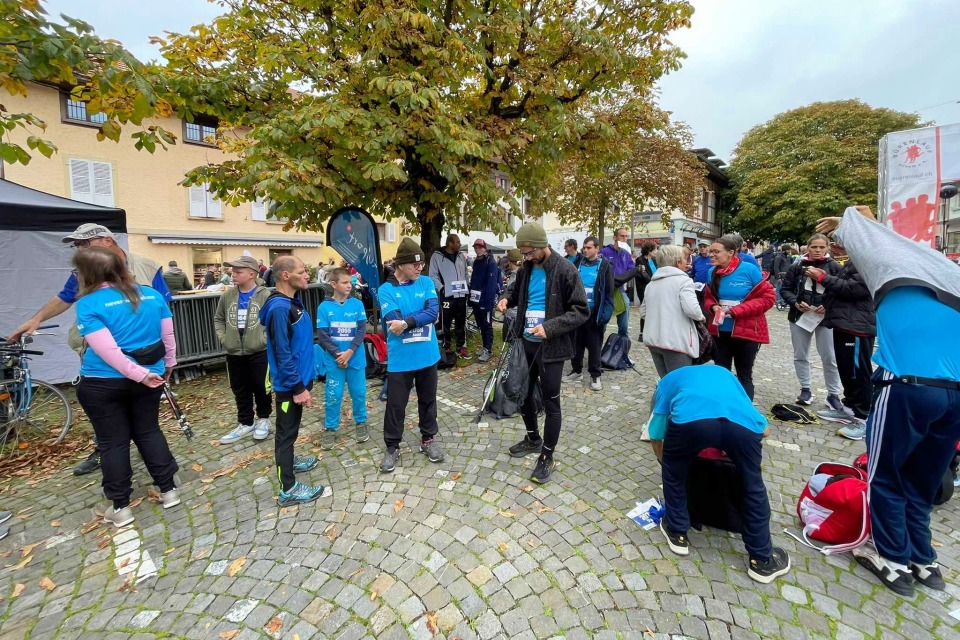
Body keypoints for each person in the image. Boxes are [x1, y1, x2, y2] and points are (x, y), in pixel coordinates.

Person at [817, 206, 960, 597]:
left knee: (886, 475)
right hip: (954, 394)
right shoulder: (953, 279)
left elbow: (875, 244)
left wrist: (851, 223)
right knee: (924, 478)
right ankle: (924, 559)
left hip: (906, 388)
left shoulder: (893, 273)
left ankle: (892, 558)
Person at [7, 223, 171, 477]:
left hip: (145, 356)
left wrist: (167, 357)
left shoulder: (147, 266)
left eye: (85, 243)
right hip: (103, 358)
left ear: (107, 241)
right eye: (77, 245)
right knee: (107, 413)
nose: (80, 249)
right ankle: (106, 449)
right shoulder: (83, 271)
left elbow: (165, 310)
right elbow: (64, 298)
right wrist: (37, 319)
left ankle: (149, 457)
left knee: (145, 422)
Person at [649, 365, 791, 583]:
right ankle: (762, 559)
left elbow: (656, 433)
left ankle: (677, 532)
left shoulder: (667, 381)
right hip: (742, 428)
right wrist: (729, 443)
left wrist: (664, 461)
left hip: (691, 422)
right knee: (753, 486)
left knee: (674, 471)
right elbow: (765, 430)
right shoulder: (728, 377)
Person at [72, 247, 180, 528]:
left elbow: (107, 351)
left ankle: (120, 506)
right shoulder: (152, 295)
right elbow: (168, 336)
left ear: (86, 274)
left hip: (103, 383)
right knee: (148, 431)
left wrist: (139, 374)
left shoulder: (89, 303)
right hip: (149, 377)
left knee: (113, 442)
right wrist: (167, 365)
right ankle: (168, 490)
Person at [497, 223, 588, 483]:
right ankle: (533, 438)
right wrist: (505, 298)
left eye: (527, 252)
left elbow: (581, 310)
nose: (524, 258)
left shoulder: (565, 270)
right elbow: (515, 293)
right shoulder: (526, 270)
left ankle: (547, 455)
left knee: (551, 402)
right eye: (523, 254)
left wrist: (550, 328)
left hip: (552, 348)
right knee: (523, 394)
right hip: (526, 342)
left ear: (540, 247)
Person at [261, 256, 331, 506]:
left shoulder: (291, 302)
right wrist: (298, 387)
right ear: (285, 276)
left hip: (298, 380)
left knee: (291, 430)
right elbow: (282, 353)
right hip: (289, 386)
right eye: (302, 272)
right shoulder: (280, 309)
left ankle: (290, 461)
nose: (307, 275)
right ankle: (287, 488)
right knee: (285, 434)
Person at [378, 238, 444, 473]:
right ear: (401, 264)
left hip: (427, 355)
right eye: (415, 264)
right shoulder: (385, 290)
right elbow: (391, 321)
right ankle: (392, 446)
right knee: (396, 404)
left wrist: (406, 321)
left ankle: (428, 439)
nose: (420, 268)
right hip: (401, 360)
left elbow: (433, 312)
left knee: (428, 400)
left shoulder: (425, 282)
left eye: (422, 263)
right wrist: (420, 316)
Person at [806, 259, 875, 439]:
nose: (837, 245)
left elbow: (854, 289)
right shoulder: (853, 260)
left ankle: (862, 419)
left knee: (858, 372)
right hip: (844, 324)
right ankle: (849, 409)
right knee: (847, 370)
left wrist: (823, 277)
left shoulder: (868, 262)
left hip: (858, 328)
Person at [702, 235, 774, 400]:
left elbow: (768, 298)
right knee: (722, 375)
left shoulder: (749, 270)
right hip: (720, 332)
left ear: (731, 253)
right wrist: (713, 306)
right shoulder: (712, 271)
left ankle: (745, 415)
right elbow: (708, 297)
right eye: (710, 251)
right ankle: (724, 410)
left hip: (747, 331)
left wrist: (736, 311)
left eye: (716, 251)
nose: (711, 254)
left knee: (744, 375)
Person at [779, 233, 844, 408]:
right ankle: (805, 389)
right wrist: (795, 302)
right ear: (808, 248)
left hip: (825, 319)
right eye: (814, 247)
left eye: (821, 247)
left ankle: (833, 394)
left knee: (829, 357)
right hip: (800, 317)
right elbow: (785, 290)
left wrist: (829, 305)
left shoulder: (835, 267)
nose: (817, 250)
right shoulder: (797, 266)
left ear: (827, 248)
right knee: (800, 354)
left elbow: (842, 291)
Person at [214, 256, 273, 444]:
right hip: (234, 352)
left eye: (238, 272)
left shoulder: (266, 295)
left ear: (251, 274)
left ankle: (264, 419)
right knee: (240, 387)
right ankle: (245, 422)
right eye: (233, 271)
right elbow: (219, 319)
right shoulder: (228, 295)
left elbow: (273, 322)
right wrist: (225, 339)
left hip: (259, 350)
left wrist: (263, 340)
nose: (233, 275)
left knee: (261, 386)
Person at [316, 268, 368, 450]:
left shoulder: (357, 304)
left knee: (359, 393)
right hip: (335, 361)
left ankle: (361, 422)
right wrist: (338, 354)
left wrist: (350, 352)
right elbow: (322, 335)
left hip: (355, 359)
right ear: (334, 284)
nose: (349, 285)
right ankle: (330, 427)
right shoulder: (324, 308)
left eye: (350, 282)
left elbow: (362, 330)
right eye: (345, 282)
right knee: (333, 396)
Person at [640, 245, 705, 377]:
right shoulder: (683, 281)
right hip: (676, 341)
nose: (686, 262)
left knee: (666, 381)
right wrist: (701, 317)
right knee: (680, 382)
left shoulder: (651, 284)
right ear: (678, 262)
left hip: (654, 340)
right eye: (684, 259)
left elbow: (643, 312)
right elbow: (692, 310)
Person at [564, 236, 614, 389]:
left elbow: (608, 293)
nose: (585, 250)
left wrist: (604, 316)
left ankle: (595, 376)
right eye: (584, 247)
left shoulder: (605, 266)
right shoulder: (577, 264)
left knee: (594, 346)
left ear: (597, 249)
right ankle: (576, 370)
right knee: (576, 344)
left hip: (594, 313)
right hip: (578, 311)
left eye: (589, 248)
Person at [428, 234, 469, 358]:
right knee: (445, 323)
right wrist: (442, 289)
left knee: (461, 322)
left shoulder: (461, 256)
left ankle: (461, 347)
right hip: (447, 296)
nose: (460, 244)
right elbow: (432, 275)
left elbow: (465, 273)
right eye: (457, 242)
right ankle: (446, 347)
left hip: (461, 295)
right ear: (450, 243)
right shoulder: (437, 256)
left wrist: (467, 285)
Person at [468, 239, 502, 363]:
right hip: (476, 299)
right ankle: (484, 347)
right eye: (476, 248)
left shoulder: (491, 262)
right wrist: (471, 298)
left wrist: (489, 301)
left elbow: (491, 283)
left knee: (487, 325)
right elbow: (474, 280)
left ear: (485, 248)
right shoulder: (477, 261)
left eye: (480, 247)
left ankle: (488, 350)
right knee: (481, 324)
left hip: (485, 300)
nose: (478, 250)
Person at [600, 228, 635, 338]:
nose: (624, 238)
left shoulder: (626, 253)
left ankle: (622, 350)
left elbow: (630, 269)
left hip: (620, 290)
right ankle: (597, 350)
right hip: (606, 291)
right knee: (602, 324)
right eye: (622, 236)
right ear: (615, 237)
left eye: (626, 236)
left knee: (624, 324)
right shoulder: (604, 252)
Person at [633, 242, 658, 341]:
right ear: (649, 250)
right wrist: (653, 281)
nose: (656, 252)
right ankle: (642, 333)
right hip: (644, 288)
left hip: (654, 287)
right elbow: (642, 274)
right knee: (645, 309)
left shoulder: (654, 260)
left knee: (652, 309)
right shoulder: (640, 260)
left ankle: (651, 331)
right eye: (655, 250)